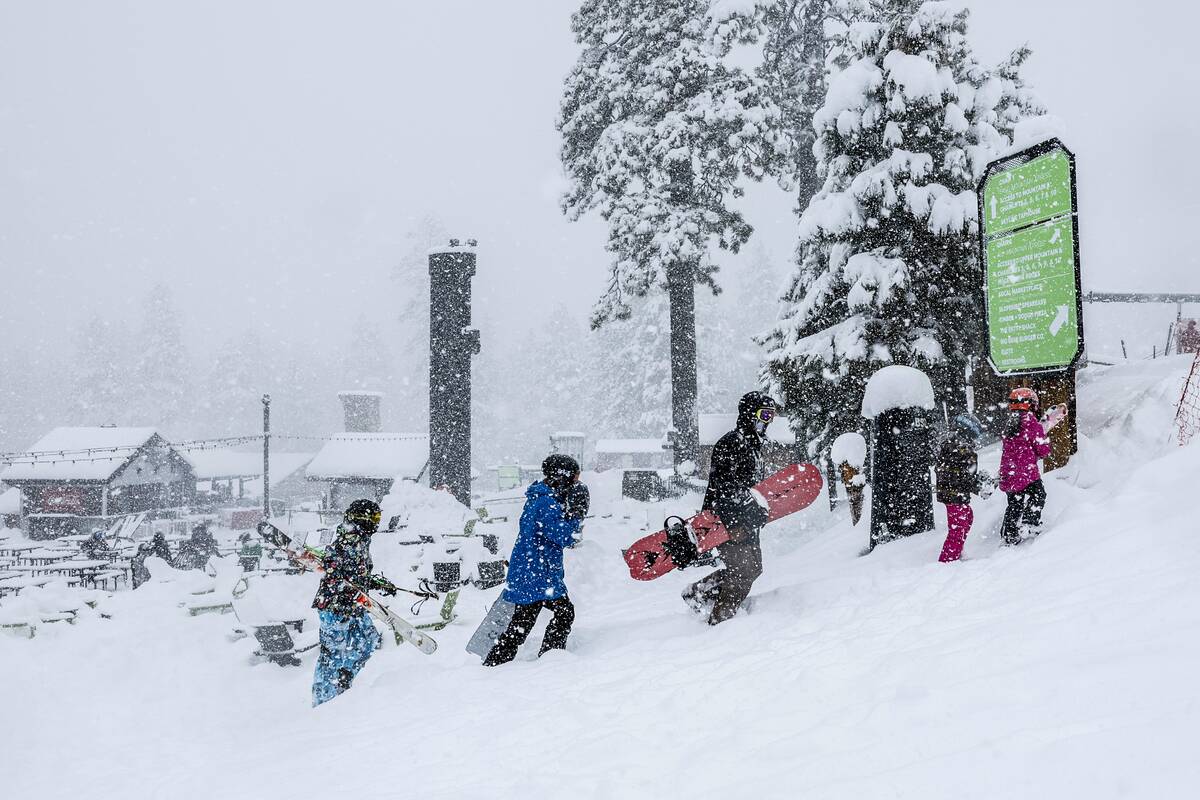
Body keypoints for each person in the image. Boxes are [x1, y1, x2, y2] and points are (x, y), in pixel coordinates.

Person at [678, 391, 776, 625]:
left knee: (754, 568)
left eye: (771, 416)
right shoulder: (732, 442)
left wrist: (758, 509)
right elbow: (725, 488)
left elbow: (750, 488)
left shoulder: (753, 446)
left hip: (747, 522)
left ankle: (698, 592)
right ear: (749, 415)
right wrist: (740, 516)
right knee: (741, 572)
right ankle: (721, 623)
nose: (767, 421)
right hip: (727, 521)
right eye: (764, 414)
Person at [483, 454, 586, 667]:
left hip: (532, 572)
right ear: (563, 476)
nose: (577, 483)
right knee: (561, 614)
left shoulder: (542, 498)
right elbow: (565, 537)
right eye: (575, 478)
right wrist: (576, 514)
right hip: (537, 575)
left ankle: (495, 664)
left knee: (521, 625)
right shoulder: (546, 503)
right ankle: (550, 660)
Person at [311, 499, 399, 706]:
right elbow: (333, 569)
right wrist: (340, 587)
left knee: (367, 642)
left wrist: (377, 583)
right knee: (332, 654)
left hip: (355, 606)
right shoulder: (348, 539)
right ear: (363, 518)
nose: (377, 523)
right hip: (335, 607)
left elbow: (357, 573)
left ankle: (344, 678)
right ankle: (323, 701)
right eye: (375, 518)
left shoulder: (361, 539)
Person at [934, 414, 993, 562]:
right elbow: (967, 477)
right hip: (955, 495)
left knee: (967, 516)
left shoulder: (949, 445)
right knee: (958, 529)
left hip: (948, 492)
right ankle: (947, 561)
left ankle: (958, 551)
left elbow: (955, 472)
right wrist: (980, 487)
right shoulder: (966, 451)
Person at [998, 388, 1052, 546]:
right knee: (1039, 495)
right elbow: (1042, 448)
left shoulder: (1010, 422)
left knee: (1014, 503)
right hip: (1025, 472)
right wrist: (1044, 440)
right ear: (1029, 404)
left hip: (1009, 472)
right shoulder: (1030, 421)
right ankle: (1029, 523)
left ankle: (1009, 534)